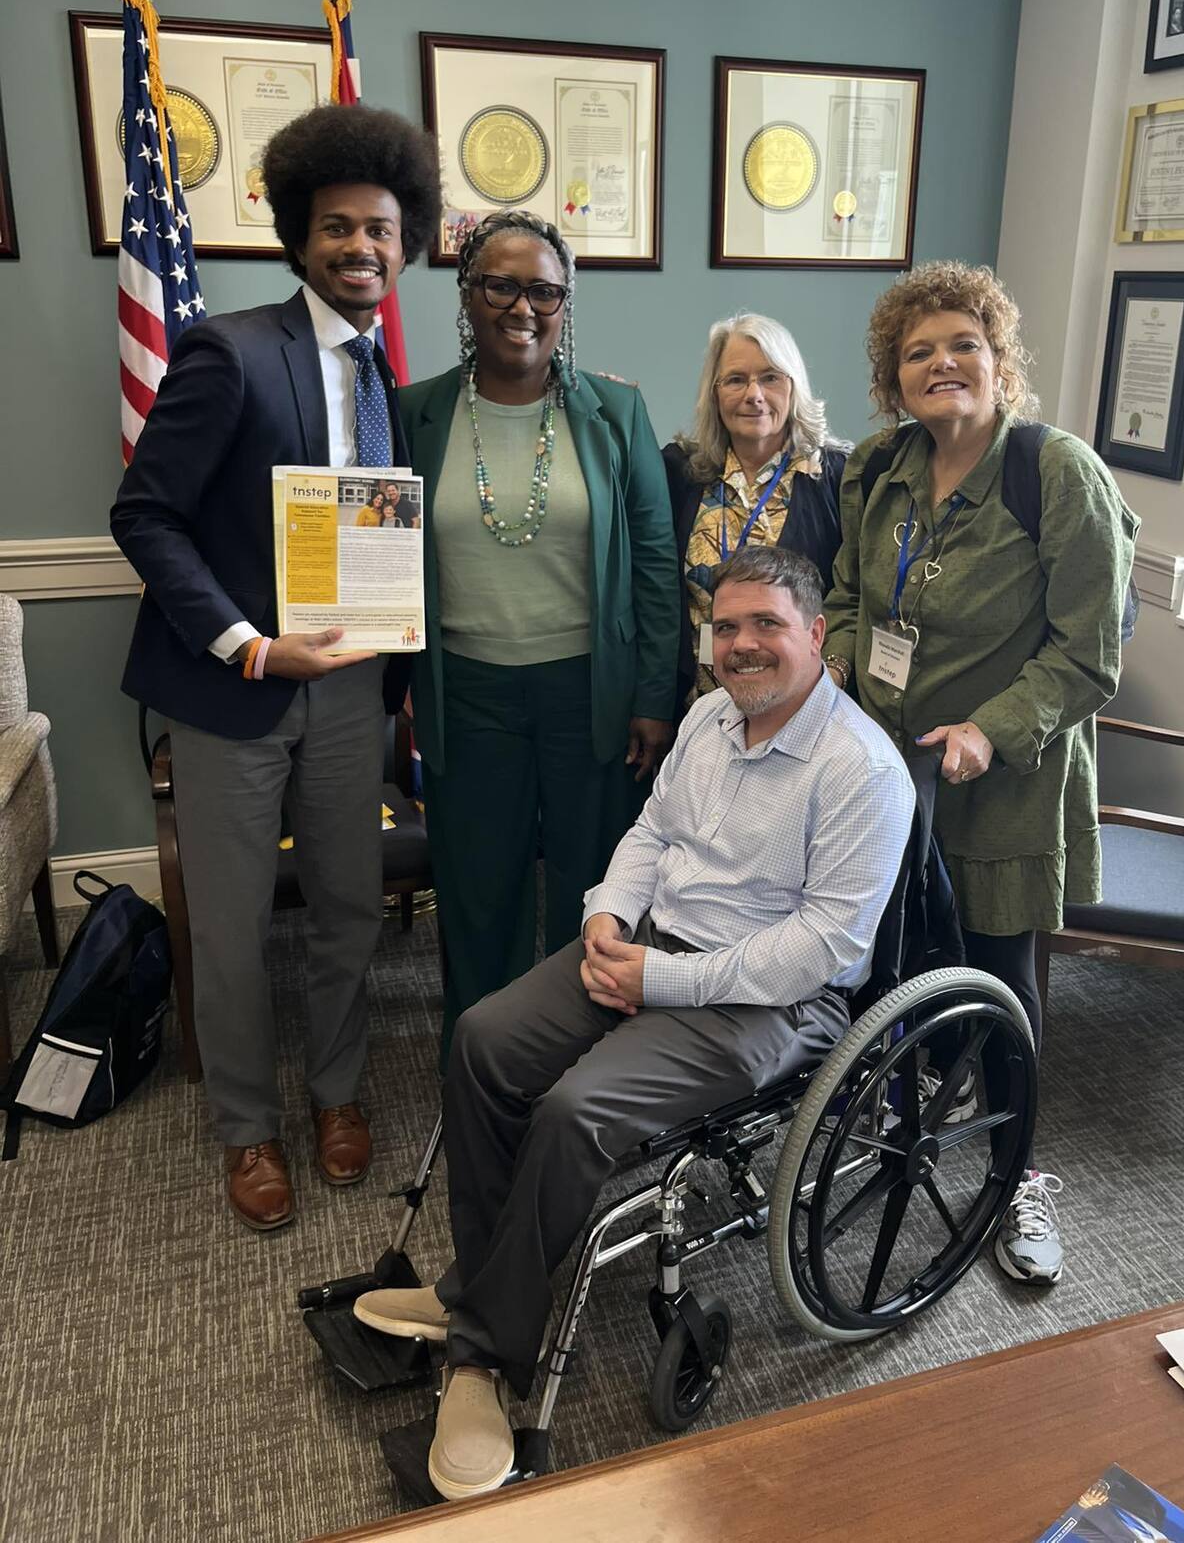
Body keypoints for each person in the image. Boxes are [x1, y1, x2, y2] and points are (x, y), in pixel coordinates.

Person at [353, 546, 915, 1500]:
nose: (742, 645)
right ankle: (480, 1283)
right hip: (645, 947)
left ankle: (484, 1351)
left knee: (577, 1111)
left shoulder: (861, 770)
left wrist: (666, 981)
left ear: (816, 634)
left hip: (766, 1004)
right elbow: (652, 835)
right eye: (726, 626)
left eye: (766, 625)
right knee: (484, 1040)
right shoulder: (706, 718)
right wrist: (605, 918)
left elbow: (820, 947)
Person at [110, 105, 441, 1232]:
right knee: (237, 922)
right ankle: (247, 1124)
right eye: (339, 227)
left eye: (383, 230)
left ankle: (338, 1092)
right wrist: (248, 644)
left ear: (408, 243)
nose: (362, 247)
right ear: (300, 235)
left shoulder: (395, 382)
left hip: (352, 690)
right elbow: (145, 517)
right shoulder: (229, 348)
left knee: (349, 902)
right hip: (235, 691)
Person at [823, 260, 1139, 1286]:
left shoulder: (1053, 472)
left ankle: (1017, 1176)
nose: (941, 364)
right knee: (897, 964)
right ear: (891, 378)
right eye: (917, 352)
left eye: (963, 344)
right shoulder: (874, 467)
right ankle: (914, 1122)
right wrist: (830, 660)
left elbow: (1088, 649)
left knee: (997, 982)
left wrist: (988, 730)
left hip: (1000, 782)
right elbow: (842, 595)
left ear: (999, 361)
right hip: (884, 780)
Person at [398, 210, 680, 1065]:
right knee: (478, 894)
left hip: (588, 692)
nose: (524, 306)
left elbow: (656, 562)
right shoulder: (415, 414)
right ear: (467, 294)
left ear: (565, 303)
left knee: (591, 893)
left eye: (544, 290)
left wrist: (652, 697)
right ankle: (480, 1057)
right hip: (467, 690)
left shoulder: (616, 411)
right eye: (501, 285)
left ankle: (578, 1060)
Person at [662, 313, 848, 717]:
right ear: (714, 393)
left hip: (799, 709)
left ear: (793, 386)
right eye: (735, 380)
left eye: (770, 378)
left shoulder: (837, 477)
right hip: (693, 709)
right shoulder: (679, 472)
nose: (754, 394)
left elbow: (854, 595)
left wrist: (835, 676)